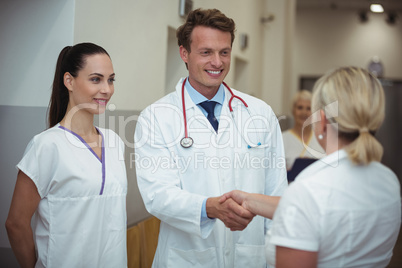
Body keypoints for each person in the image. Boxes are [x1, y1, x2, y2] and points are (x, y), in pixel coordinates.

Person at [134, 8, 287, 268]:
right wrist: (208, 208)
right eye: (206, 52)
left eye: (224, 52)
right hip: (186, 258)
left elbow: (276, 189)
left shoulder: (260, 112)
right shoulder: (156, 116)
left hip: (249, 257)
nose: (217, 62)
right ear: (185, 53)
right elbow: (157, 195)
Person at [221, 66, 401, 267]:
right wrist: (248, 200)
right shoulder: (388, 180)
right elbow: (320, 211)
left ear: (321, 121)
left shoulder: (310, 189)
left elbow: (310, 204)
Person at [5, 43, 127, 268]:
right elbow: (16, 223)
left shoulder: (115, 142)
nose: (107, 89)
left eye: (111, 80)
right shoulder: (47, 145)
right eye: (96, 79)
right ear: (69, 81)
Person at [282, 90, 324, 171]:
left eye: (308, 108)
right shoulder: (282, 138)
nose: (304, 112)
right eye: (300, 107)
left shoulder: (322, 138)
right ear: (293, 110)